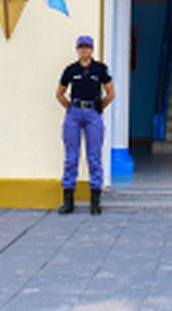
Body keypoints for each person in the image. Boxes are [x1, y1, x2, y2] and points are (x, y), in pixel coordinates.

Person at [56, 34, 114, 214]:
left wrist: (98, 108)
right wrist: (71, 109)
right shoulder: (71, 70)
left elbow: (111, 92)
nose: (84, 50)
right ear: (77, 50)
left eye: (87, 47)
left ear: (92, 49)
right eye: (81, 47)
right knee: (71, 157)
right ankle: (68, 200)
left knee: (94, 156)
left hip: (92, 113)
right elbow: (60, 93)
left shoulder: (100, 69)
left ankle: (95, 201)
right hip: (74, 112)